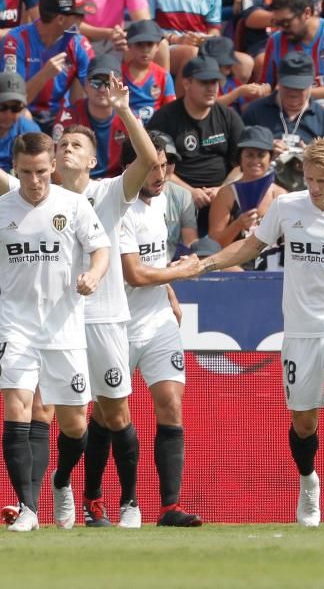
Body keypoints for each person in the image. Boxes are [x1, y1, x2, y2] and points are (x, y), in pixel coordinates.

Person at [0, 75, 160, 529]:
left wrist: (123, 110)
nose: (68, 148)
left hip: (105, 315)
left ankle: (127, 501)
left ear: (93, 159)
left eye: (78, 143)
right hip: (52, 317)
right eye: (64, 143)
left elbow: (150, 159)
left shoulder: (109, 192)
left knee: (109, 413)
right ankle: (39, 501)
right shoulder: (31, 192)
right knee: (40, 409)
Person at [180, 137, 324, 528]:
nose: (315, 188)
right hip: (300, 330)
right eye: (310, 178)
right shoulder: (286, 207)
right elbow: (251, 247)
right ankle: (309, 482)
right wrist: (208, 263)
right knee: (304, 423)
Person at [0, 129, 111, 532]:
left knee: (75, 424)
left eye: (42, 171)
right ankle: (28, 508)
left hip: (64, 326)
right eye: (26, 172)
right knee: (17, 406)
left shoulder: (75, 205)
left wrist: (94, 275)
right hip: (16, 324)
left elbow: (101, 249)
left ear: (53, 166)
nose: (35, 180)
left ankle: (62, 481)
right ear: (17, 168)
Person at [113, 128, 203, 527]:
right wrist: (178, 272)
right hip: (114, 322)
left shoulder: (163, 200)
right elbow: (132, 273)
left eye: (164, 164)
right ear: (131, 166)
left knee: (170, 402)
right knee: (109, 417)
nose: (160, 173)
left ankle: (169, 507)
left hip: (157, 320)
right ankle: (118, 501)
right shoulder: (116, 207)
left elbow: (155, 257)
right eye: (152, 165)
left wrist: (168, 289)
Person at [145, 55, 246, 235]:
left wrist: (222, 189)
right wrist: (190, 191)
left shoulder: (227, 116)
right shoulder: (165, 118)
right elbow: (153, 165)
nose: (211, 89)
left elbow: (242, 164)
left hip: (221, 195)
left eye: (214, 82)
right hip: (176, 194)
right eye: (204, 83)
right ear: (186, 83)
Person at [0, 0, 96, 131]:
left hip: (61, 116)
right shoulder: (16, 41)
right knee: (24, 118)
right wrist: (45, 75)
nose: (82, 22)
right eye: (78, 16)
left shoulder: (79, 43)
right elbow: (12, 101)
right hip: (22, 112)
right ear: (61, 19)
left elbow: (94, 86)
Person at [207, 126, 288, 257]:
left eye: (261, 155)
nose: (255, 161)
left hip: (271, 267)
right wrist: (238, 224)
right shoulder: (227, 194)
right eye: (250, 155)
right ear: (240, 158)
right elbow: (214, 246)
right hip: (235, 265)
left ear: (270, 158)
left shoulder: (280, 195)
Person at [143, 0, 224, 78]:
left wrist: (205, 39)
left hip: (203, 47)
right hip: (166, 46)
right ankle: (178, 98)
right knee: (191, 53)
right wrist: (177, 39)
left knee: (245, 63)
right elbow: (147, 27)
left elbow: (214, 28)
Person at [52, 55, 132, 178]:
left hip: (117, 185)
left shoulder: (130, 119)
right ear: (86, 85)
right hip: (77, 184)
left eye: (108, 83)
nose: (101, 89)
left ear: (120, 84)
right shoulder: (68, 117)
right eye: (96, 82)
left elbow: (141, 163)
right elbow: (57, 165)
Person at [243, 51, 324, 147]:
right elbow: (242, 152)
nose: (293, 93)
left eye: (299, 88)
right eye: (288, 86)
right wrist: (266, 151)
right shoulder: (256, 111)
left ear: (311, 84)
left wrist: (311, 156)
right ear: (279, 81)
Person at [121, 20, 176, 124]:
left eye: (150, 44)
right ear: (129, 46)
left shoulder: (163, 76)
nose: (145, 50)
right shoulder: (120, 75)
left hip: (157, 128)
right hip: (128, 128)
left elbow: (171, 108)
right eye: (139, 44)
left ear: (157, 46)